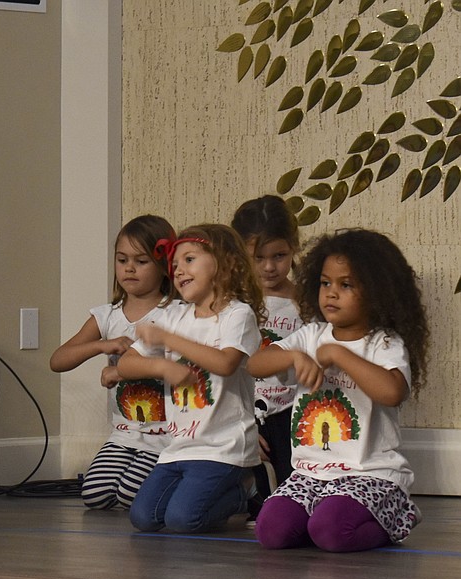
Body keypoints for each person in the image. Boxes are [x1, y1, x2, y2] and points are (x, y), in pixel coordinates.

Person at [247, 229, 429, 552]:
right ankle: (316, 523)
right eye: (325, 283)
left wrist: (337, 354)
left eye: (345, 285)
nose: (331, 293)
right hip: (311, 474)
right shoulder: (310, 335)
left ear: (377, 292)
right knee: (270, 529)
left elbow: (392, 392)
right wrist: (291, 356)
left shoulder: (383, 343)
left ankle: (393, 521)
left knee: (331, 530)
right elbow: (255, 364)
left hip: (370, 475)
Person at [117, 224, 265, 533]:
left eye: (189, 259)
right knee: (144, 517)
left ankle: (244, 492)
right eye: (174, 265)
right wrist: (161, 368)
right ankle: (228, 492)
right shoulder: (174, 316)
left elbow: (225, 363)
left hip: (223, 447)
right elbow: (126, 365)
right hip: (179, 446)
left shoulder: (237, 315)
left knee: (184, 520)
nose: (179, 271)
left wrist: (169, 341)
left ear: (226, 264)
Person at [50, 215, 180, 509]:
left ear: (164, 266)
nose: (129, 268)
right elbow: (58, 360)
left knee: (129, 494)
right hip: (124, 433)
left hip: (165, 433)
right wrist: (100, 345)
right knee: (95, 495)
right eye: (122, 260)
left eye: (141, 261)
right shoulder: (107, 315)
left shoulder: (175, 313)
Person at [231, 195, 301, 522]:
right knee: (255, 500)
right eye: (258, 258)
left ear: (294, 249)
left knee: (293, 494)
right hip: (244, 412)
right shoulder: (233, 304)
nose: (270, 267)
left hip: (291, 412)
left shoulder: (306, 300)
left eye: (279, 256)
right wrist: (243, 423)